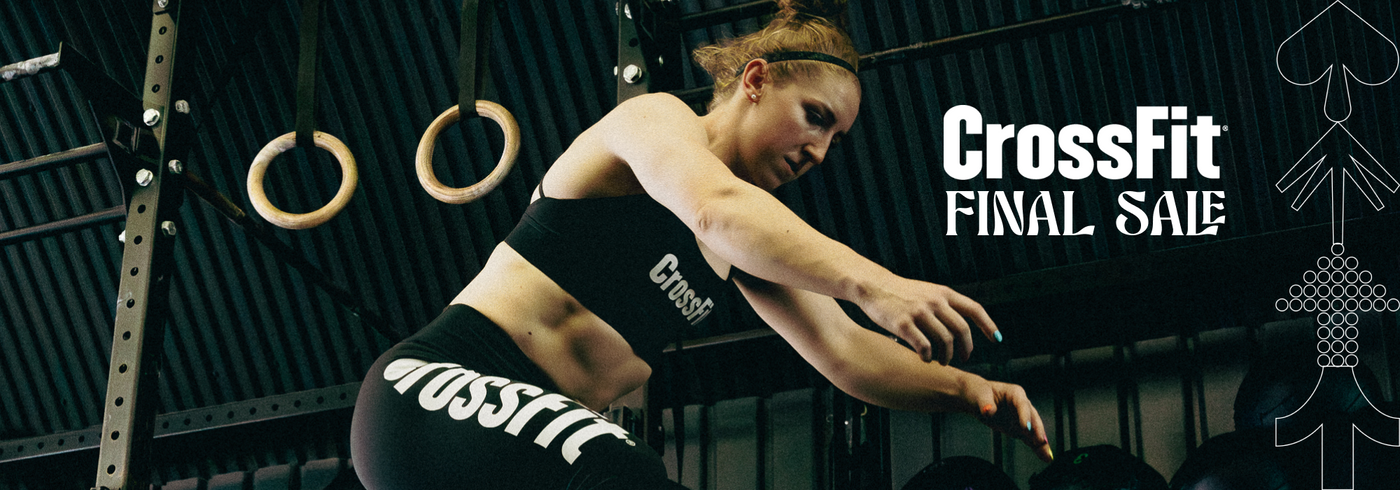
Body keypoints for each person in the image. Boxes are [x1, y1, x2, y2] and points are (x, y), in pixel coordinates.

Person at [350, 1, 1053, 488]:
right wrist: (876, 282)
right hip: (429, 402)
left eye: (836, 139)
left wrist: (971, 391)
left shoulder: (751, 247)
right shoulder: (655, 123)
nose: (820, 150)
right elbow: (714, 210)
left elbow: (846, 355)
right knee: (623, 467)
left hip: (519, 457)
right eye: (815, 118)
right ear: (755, 81)